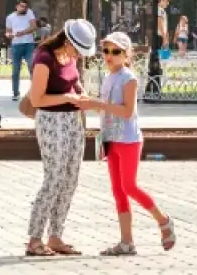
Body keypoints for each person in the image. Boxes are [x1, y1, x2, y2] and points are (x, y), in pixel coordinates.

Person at [77, 32, 175, 256]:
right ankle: (126, 242)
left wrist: (97, 103)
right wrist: (88, 103)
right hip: (111, 138)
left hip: (129, 140)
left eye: (116, 51)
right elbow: (106, 107)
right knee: (118, 191)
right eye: (106, 51)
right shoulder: (109, 77)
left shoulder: (128, 77)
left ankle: (164, 221)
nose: (109, 56)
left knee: (129, 186)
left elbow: (127, 111)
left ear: (126, 54)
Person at [25, 18, 96, 257]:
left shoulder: (70, 57)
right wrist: (67, 98)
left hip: (72, 122)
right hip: (51, 121)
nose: (79, 55)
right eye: (77, 49)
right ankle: (35, 239)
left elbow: (73, 84)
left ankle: (55, 235)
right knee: (53, 178)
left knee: (69, 179)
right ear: (66, 41)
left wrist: (82, 96)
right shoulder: (44, 58)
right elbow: (37, 100)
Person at [5, 0, 38, 99]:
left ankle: (35, 92)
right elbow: (8, 31)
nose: (24, 8)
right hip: (16, 45)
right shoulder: (10, 17)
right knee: (15, 70)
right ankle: (15, 93)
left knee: (32, 67)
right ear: (17, 6)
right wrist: (9, 35)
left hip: (28, 44)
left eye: (25, 7)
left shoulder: (29, 13)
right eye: (22, 6)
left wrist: (23, 32)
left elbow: (33, 26)